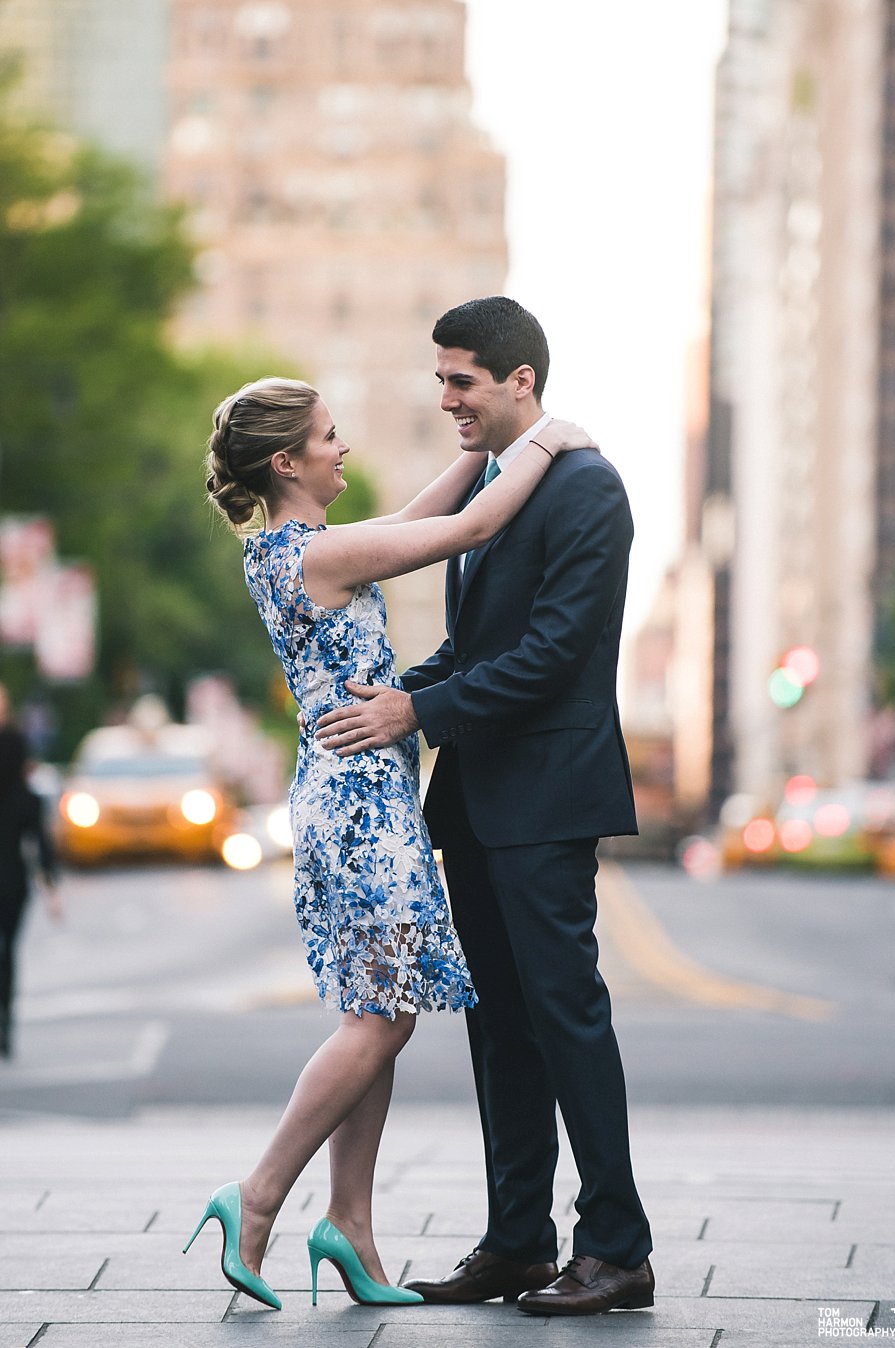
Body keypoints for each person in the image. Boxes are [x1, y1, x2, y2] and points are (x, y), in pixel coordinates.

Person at [183, 375, 591, 1311]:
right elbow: (465, 532)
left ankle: (352, 1230)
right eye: (329, 437)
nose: (344, 448)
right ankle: (256, 1197)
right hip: (362, 807)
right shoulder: (319, 556)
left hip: (348, 797)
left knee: (375, 1013)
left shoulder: (295, 552)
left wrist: (478, 452)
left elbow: (414, 516)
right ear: (287, 462)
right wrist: (542, 439)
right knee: (384, 1020)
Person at [316, 296, 654, 1317]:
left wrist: (421, 707)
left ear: (521, 380)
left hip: (548, 797)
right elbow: (474, 648)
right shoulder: (496, 495)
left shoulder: (587, 491)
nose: (447, 397)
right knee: (501, 1027)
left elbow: (552, 656)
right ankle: (518, 1241)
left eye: (462, 378)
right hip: (475, 802)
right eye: (441, 378)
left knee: (566, 1018)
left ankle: (617, 1247)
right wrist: (396, 697)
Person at [0, 696, 61, 1059]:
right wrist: (51, 888)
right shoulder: (28, 800)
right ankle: (6, 1022)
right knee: (7, 954)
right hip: (12, 885)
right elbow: (40, 845)